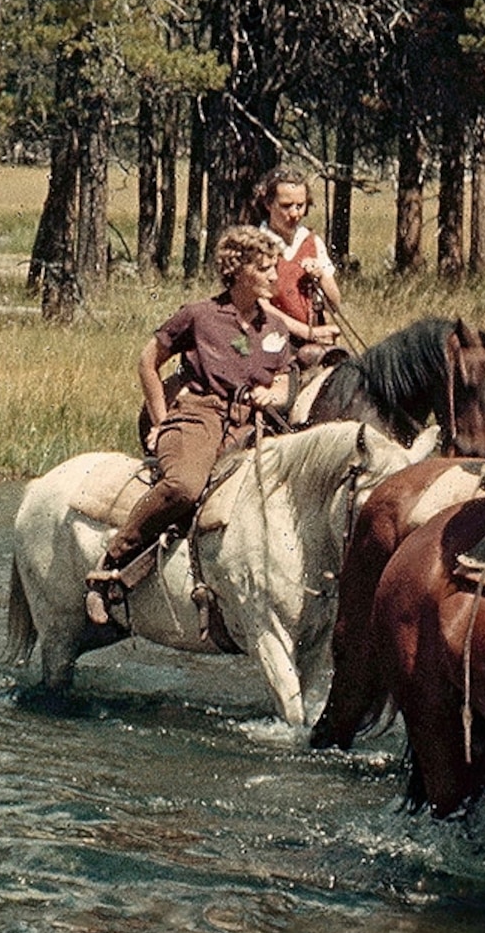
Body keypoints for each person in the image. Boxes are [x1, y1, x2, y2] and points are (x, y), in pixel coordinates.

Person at [84, 225, 299, 627]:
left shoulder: (276, 328)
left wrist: (277, 394)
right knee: (184, 487)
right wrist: (161, 421)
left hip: (252, 426)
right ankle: (107, 567)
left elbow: (285, 376)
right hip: (199, 415)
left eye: (276, 267)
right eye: (266, 268)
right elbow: (148, 361)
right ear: (237, 270)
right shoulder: (199, 316)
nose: (275, 276)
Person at [252, 167, 346, 347]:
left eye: (300, 205)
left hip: (314, 338)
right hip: (270, 340)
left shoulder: (312, 241)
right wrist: (309, 333)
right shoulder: (256, 244)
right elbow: (260, 306)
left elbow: (335, 303)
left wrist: (322, 277)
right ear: (268, 204)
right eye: (286, 206)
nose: (295, 214)